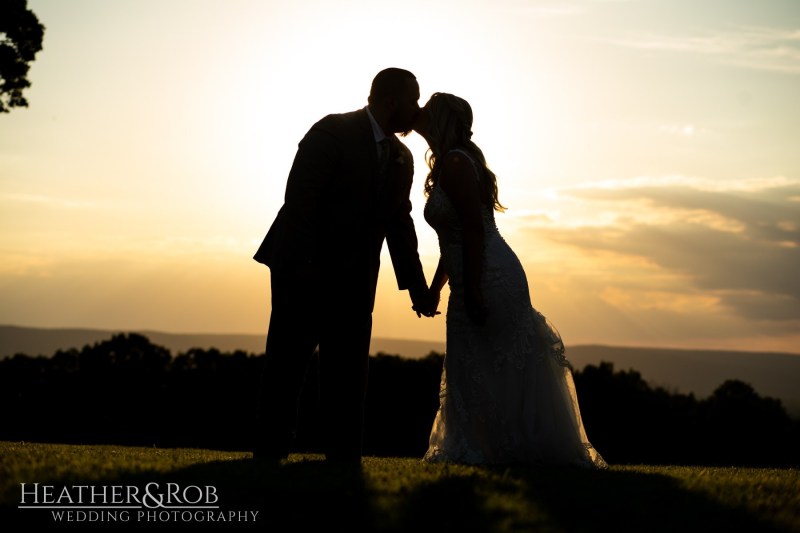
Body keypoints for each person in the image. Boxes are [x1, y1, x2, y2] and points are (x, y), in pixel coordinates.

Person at [413, 92, 607, 467]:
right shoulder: (451, 162)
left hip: (488, 273)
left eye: (427, 112)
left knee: (496, 362)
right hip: (474, 268)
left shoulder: (455, 162)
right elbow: (451, 240)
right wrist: (436, 288)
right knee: (478, 361)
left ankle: (505, 448)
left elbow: (472, 230)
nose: (419, 116)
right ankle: (490, 447)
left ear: (442, 121)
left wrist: (470, 289)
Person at [252, 68, 435, 464]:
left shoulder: (402, 158)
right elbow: (300, 201)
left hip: (355, 279)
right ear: (391, 101)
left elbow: (399, 222)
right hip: (302, 269)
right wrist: (305, 265)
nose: (416, 110)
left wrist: (417, 287)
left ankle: (343, 458)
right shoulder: (333, 131)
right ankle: (270, 453)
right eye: (413, 100)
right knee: (287, 363)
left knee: (349, 372)